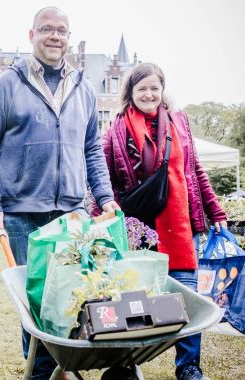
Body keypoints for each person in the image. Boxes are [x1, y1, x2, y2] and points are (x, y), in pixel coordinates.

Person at [0, 6, 118, 380]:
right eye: (47, 29)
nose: (56, 36)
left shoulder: (83, 88)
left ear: (70, 37)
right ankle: (43, 373)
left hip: (71, 213)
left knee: (73, 295)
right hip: (21, 214)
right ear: (31, 34)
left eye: (63, 31)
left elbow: (91, 151)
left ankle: (64, 367)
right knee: (35, 301)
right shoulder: (8, 84)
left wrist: (105, 197)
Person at [91, 63, 227, 380]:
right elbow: (103, 176)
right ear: (131, 93)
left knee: (188, 298)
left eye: (155, 87)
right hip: (140, 230)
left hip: (182, 225)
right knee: (132, 300)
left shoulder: (180, 122)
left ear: (162, 89)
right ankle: (124, 365)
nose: (149, 94)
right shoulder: (117, 128)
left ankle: (189, 367)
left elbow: (195, 171)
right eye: (142, 89)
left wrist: (215, 210)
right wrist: (105, 210)